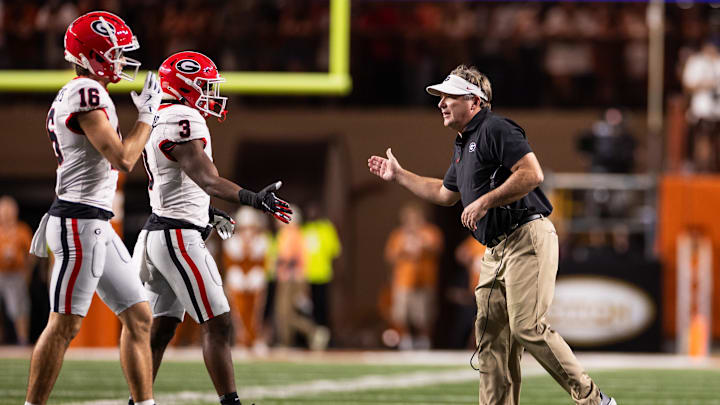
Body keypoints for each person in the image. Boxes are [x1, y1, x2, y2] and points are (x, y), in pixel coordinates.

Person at [368, 65, 616, 405]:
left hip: (526, 236)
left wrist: (486, 200)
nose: (441, 102)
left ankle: (593, 399)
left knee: (527, 326)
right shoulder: (463, 143)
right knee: (491, 339)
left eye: (449, 95)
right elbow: (444, 193)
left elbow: (532, 173)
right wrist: (399, 175)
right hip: (496, 249)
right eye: (440, 96)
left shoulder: (495, 128)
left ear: (474, 101)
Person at [131, 51, 292, 405]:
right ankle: (230, 403)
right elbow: (207, 179)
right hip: (176, 237)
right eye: (204, 86)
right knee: (217, 322)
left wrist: (207, 213)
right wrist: (253, 198)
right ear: (185, 86)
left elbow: (179, 185)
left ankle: (137, 402)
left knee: (162, 328)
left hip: (163, 232)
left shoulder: (163, 116)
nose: (210, 93)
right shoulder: (183, 117)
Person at [25, 11, 161, 405]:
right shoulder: (87, 92)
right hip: (77, 223)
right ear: (93, 54)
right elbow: (123, 159)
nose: (121, 60)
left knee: (139, 317)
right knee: (64, 325)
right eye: (114, 52)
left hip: (95, 222)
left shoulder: (86, 92)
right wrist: (148, 118)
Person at [384, 203, 442, 350]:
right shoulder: (399, 235)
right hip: (404, 281)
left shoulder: (429, 232)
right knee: (401, 314)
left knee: (424, 315)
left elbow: (437, 248)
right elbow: (390, 256)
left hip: (424, 280)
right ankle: (406, 341)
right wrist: (405, 246)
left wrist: (421, 242)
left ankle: (424, 341)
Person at [273, 206, 329, 350]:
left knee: (284, 313)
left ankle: (302, 336)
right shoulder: (296, 233)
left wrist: (278, 262)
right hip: (295, 278)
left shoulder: (289, 233)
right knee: (288, 314)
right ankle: (310, 332)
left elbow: (289, 258)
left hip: (290, 279)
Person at [222, 206, 271, 353]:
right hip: (237, 281)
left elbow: (262, 263)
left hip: (255, 281)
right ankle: (242, 340)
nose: (248, 231)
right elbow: (230, 264)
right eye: (244, 228)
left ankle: (255, 339)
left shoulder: (262, 241)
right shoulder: (231, 242)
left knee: (256, 312)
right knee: (239, 313)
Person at [301, 202, 341, 330]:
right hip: (305, 276)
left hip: (323, 274)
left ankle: (323, 333)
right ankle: (309, 336)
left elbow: (335, 251)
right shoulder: (303, 230)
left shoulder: (326, 228)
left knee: (323, 307)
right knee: (305, 308)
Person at [682, 39, 720, 171]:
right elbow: (688, 84)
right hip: (702, 110)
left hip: (717, 109)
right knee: (703, 139)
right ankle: (703, 169)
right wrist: (705, 84)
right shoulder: (697, 62)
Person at [0, 196, 33, 345]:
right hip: (1, 273)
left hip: (16, 274)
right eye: (3, 209)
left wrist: (27, 273)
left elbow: (30, 255)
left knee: (20, 308)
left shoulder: (22, 230)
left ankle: (22, 339)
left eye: (9, 209)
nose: (6, 213)